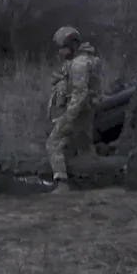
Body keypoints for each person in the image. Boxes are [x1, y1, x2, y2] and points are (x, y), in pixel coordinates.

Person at [46, 26, 103, 188]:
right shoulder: (88, 60)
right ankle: (92, 181)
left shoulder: (78, 64)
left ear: (71, 45)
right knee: (84, 146)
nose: (60, 52)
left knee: (53, 143)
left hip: (77, 111)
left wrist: (67, 117)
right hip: (87, 111)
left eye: (62, 48)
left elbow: (79, 93)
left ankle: (61, 182)